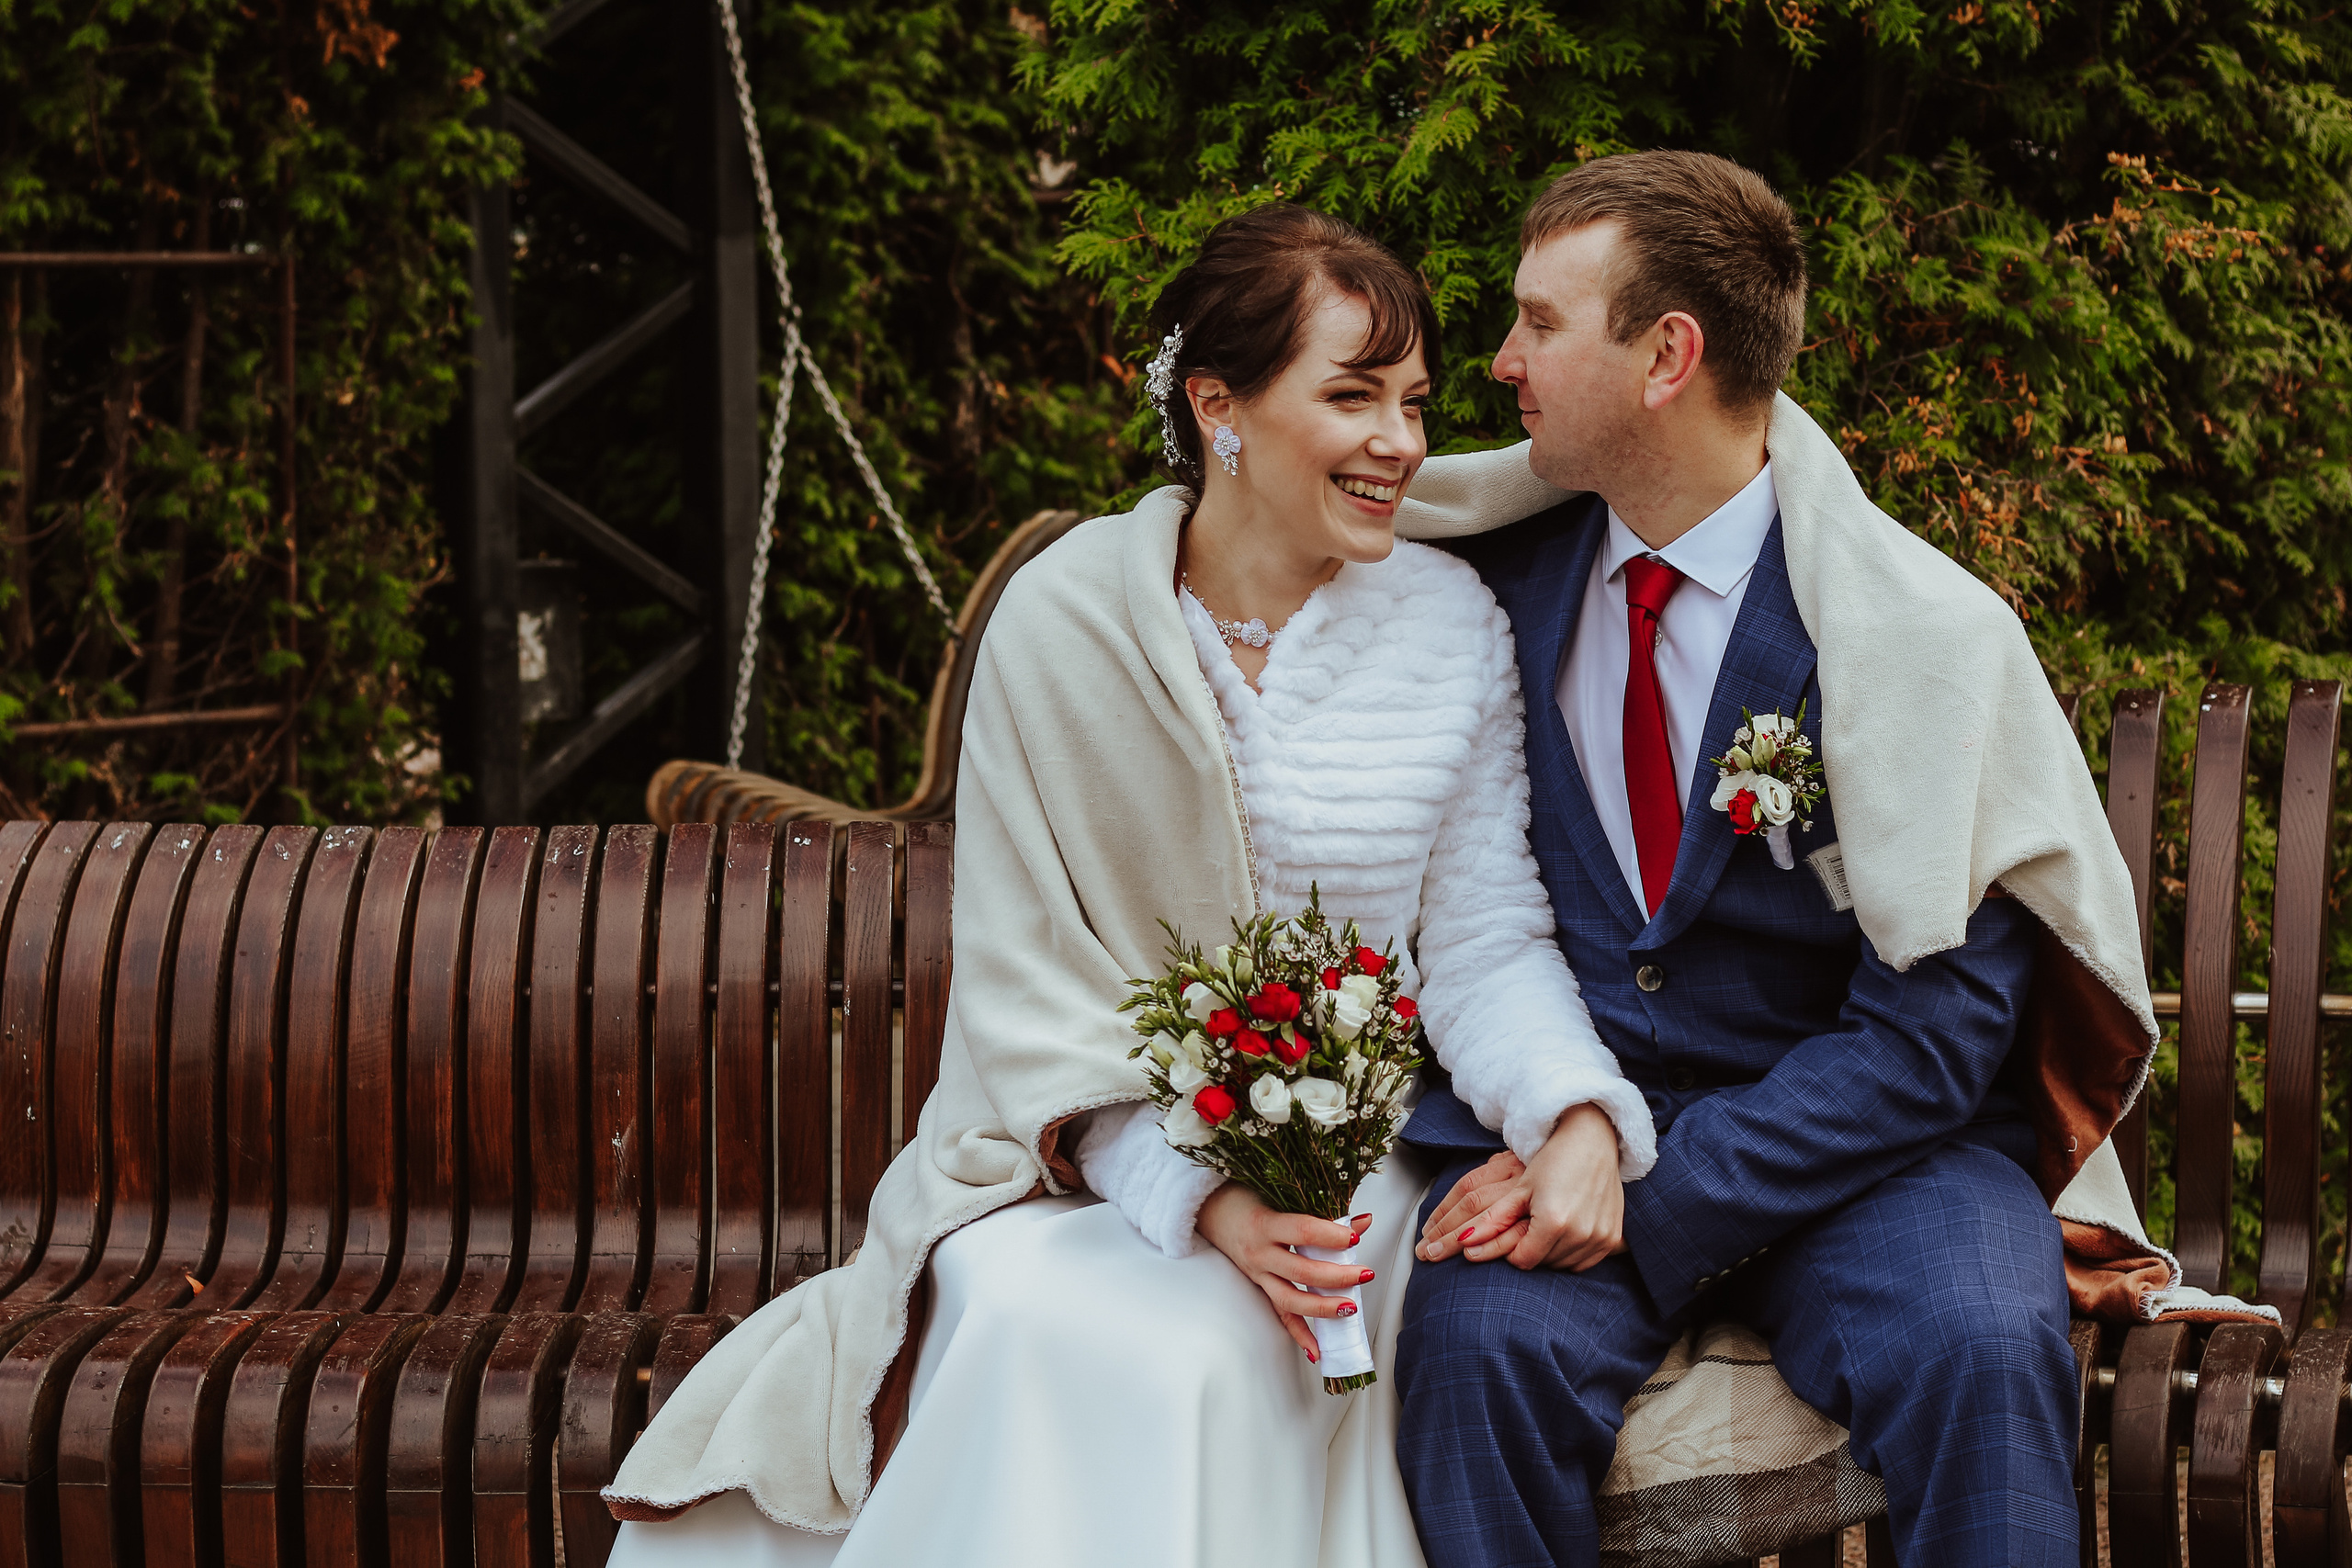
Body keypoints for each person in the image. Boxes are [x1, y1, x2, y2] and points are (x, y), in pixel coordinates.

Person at [600, 202, 1656, 1568]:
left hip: (1354, 1175)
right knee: (1035, 1313)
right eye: (1352, 397)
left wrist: (1573, 1113)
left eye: (1412, 400)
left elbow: (1481, 939)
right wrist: (1208, 1198)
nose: (1401, 441)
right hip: (1101, 1170)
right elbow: (1031, 985)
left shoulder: (1450, 625)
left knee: (1217, 1354)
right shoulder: (1069, 621)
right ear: (1219, 405)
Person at [1383, 149, 2170, 1568]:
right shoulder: (1478, 588)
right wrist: (1580, 1141)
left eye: (1541, 323)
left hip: (1878, 1161)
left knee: (1986, 1346)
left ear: (1667, 355)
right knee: (1470, 1350)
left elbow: (1938, 1038)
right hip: (1559, 1131)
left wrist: (1656, 1195)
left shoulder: (1917, 642)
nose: (1500, 362)